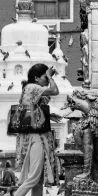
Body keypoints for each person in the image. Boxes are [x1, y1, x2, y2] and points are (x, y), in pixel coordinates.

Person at [14, 64, 61, 196]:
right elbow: (55, 91)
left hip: (35, 135)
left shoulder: (30, 89)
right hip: (36, 137)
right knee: (33, 178)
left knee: (38, 179)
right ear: (36, 78)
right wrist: (51, 77)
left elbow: (33, 111)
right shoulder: (33, 87)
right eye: (44, 77)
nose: (46, 80)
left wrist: (49, 115)